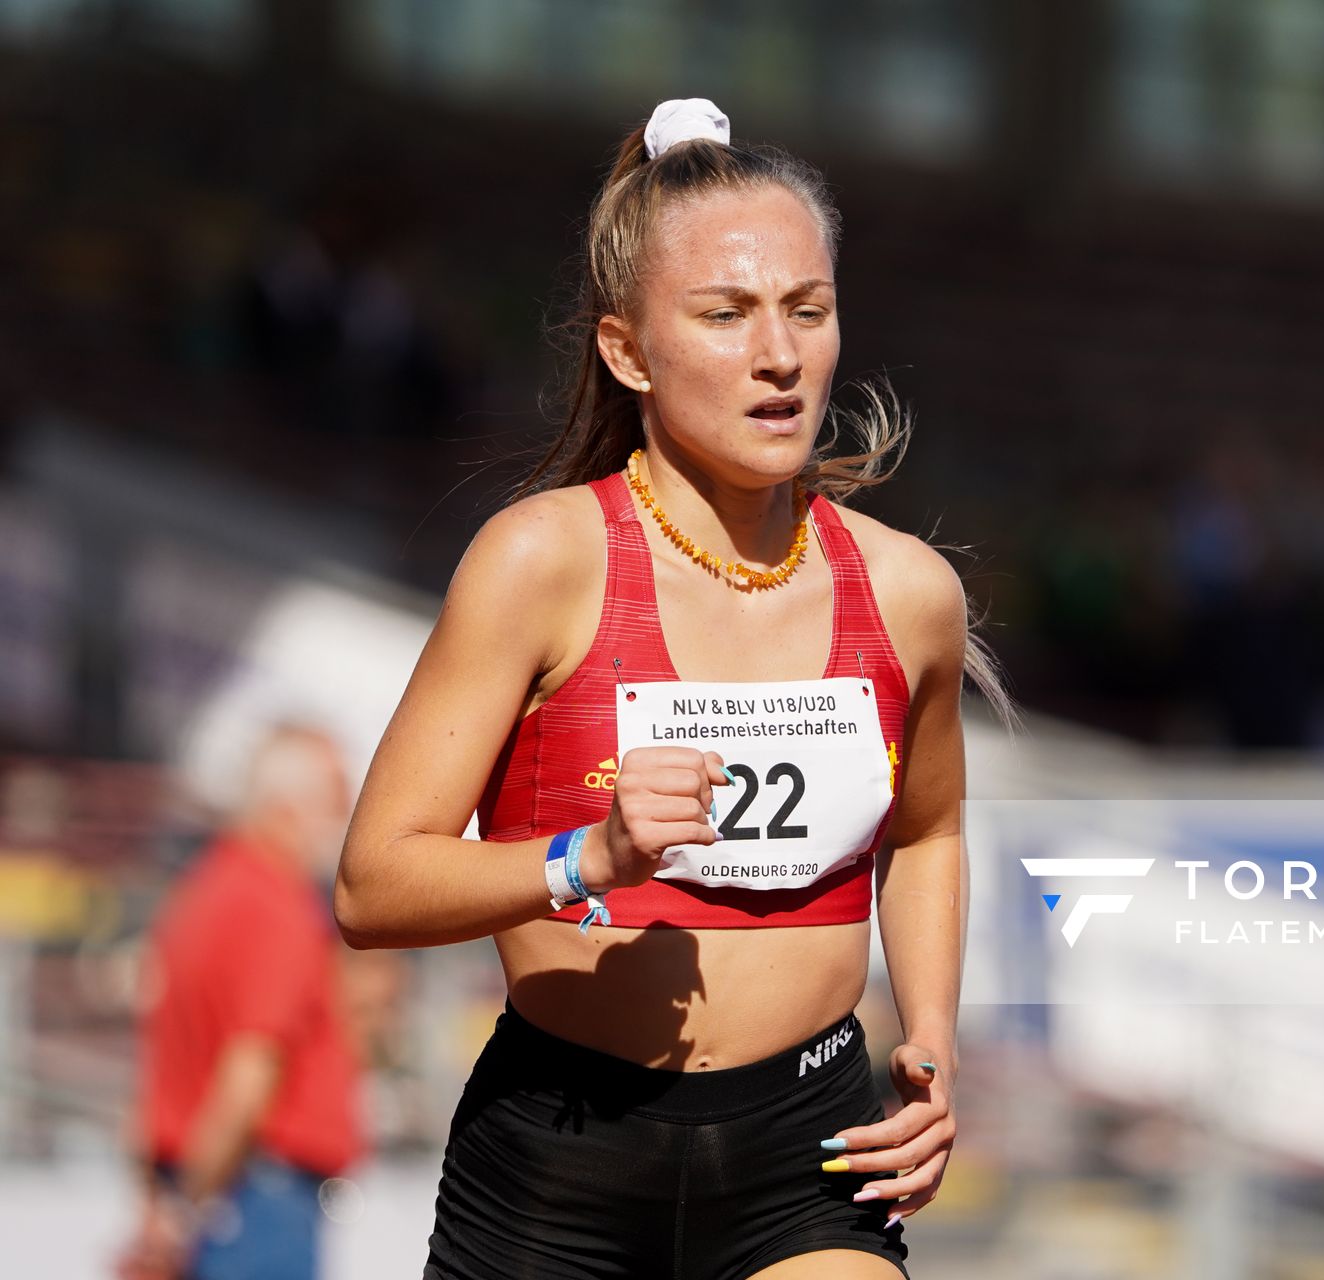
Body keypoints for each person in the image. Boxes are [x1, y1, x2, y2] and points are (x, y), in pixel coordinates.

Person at [335, 98, 1010, 1279]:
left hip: (809, 1156)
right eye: (726, 313)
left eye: (808, 308)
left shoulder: (910, 593)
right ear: (627, 350)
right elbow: (370, 883)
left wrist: (934, 1038)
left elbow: (929, 829)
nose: (779, 354)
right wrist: (584, 857)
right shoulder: (538, 562)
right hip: (558, 1167)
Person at [123, 723, 364, 1280]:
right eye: (336, 799)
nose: (347, 818)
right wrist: (187, 1206)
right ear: (287, 808)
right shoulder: (274, 907)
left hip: (206, 1186)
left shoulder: (202, 891)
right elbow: (250, 1074)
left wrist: (169, 1203)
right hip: (251, 1195)